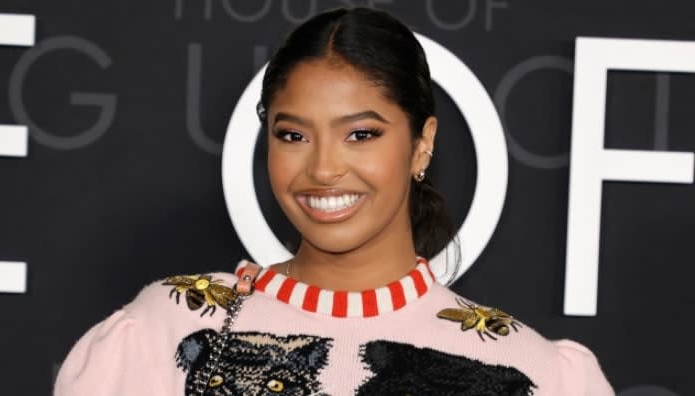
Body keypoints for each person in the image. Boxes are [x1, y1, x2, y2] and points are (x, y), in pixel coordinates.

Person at [54, 7, 614, 396]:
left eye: (361, 134)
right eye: (292, 135)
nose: (322, 169)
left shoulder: (526, 369)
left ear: (422, 144)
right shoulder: (165, 330)